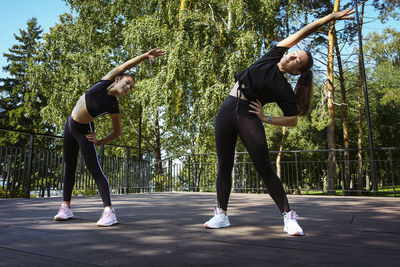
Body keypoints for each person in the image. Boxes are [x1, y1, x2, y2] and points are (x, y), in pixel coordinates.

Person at [204, 8, 355, 235]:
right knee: (223, 165)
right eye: (294, 53)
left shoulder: (283, 89)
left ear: (297, 71)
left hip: (248, 115)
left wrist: (266, 118)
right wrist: (329, 18)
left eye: (297, 60)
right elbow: (302, 33)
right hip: (226, 109)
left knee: (264, 166)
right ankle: (221, 215)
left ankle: (289, 217)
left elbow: (293, 120)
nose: (292, 56)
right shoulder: (272, 55)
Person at [54, 48, 166, 226]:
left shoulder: (113, 106)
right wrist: (146, 56)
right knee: (69, 167)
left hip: (84, 130)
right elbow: (126, 64)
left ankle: (109, 212)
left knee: (95, 170)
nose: (128, 88)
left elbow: (117, 132)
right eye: (127, 83)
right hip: (69, 125)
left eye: (130, 88)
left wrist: (99, 141)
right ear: (117, 78)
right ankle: (65, 207)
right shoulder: (104, 81)